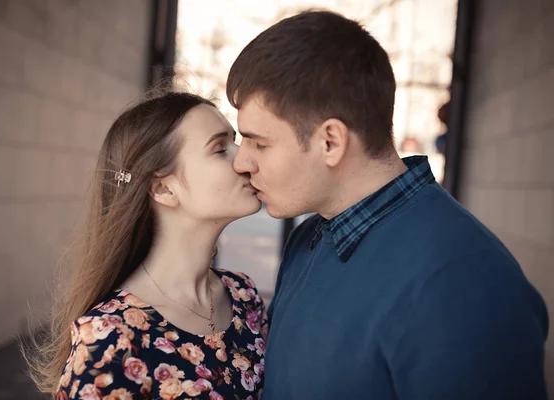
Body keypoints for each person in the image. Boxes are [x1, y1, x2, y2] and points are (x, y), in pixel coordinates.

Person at [226, 10, 548, 399]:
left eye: (259, 143)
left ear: (331, 141)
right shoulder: (311, 237)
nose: (242, 162)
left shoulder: (464, 282)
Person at [24, 92, 267, 399]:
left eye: (235, 142)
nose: (245, 159)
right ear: (164, 188)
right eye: (220, 149)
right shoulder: (111, 340)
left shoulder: (244, 296)